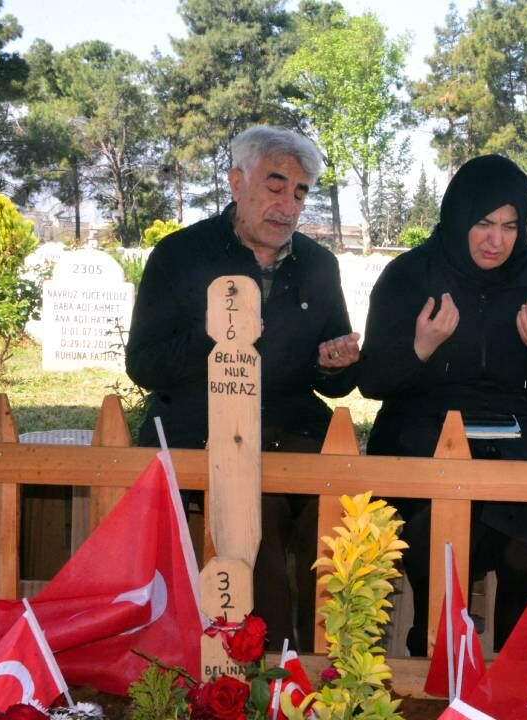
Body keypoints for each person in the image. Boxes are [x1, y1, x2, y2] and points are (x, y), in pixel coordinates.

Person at [125, 125, 360, 650]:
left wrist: (335, 363)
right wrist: (219, 340)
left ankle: (328, 660)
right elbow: (143, 364)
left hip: (291, 428)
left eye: (300, 193)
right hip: (201, 426)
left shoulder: (318, 265)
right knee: (261, 514)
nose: (288, 206)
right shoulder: (181, 255)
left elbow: (339, 380)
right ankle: (269, 666)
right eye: (275, 187)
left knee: (338, 515)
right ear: (236, 182)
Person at [357, 154, 527, 655]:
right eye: (483, 223)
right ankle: (434, 651)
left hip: (516, 438)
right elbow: (371, 380)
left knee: (526, 529)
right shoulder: (410, 273)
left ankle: (514, 665)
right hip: (423, 433)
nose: (496, 240)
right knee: (435, 528)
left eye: (509, 226)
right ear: (459, 218)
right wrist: (419, 348)